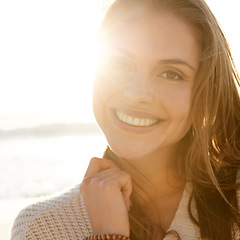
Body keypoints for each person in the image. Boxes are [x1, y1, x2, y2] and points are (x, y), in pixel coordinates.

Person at [11, 0, 240, 239]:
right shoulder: (41, 228)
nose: (136, 94)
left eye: (171, 73)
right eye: (119, 63)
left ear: (204, 90)